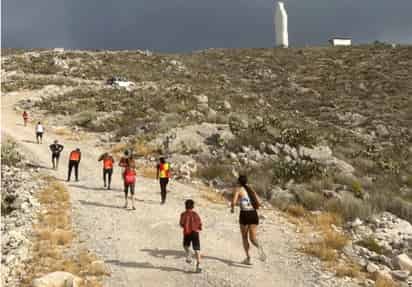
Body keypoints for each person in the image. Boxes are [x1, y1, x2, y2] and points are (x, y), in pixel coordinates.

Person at [231, 174, 266, 265]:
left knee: (244, 237)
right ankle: (259, 247)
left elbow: (234, 202)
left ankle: (248, 258)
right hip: (254, 213)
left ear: (238, 182)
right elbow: (258, 201)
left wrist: (232, 208)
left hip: (245, 214)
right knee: (253, 238)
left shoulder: (238, 189)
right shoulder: (251, 189)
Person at [180, 199, 202, 273]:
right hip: (195, 233)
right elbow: (199, 223)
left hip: (187, 232)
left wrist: (185, 226)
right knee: (197, 249)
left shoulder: (183, 214)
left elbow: (181, 223)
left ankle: (189, 253)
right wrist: (199, 228)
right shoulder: (195, 214)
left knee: (185, 245)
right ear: (193, 206)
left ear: (185, 206)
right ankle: (199, 264)